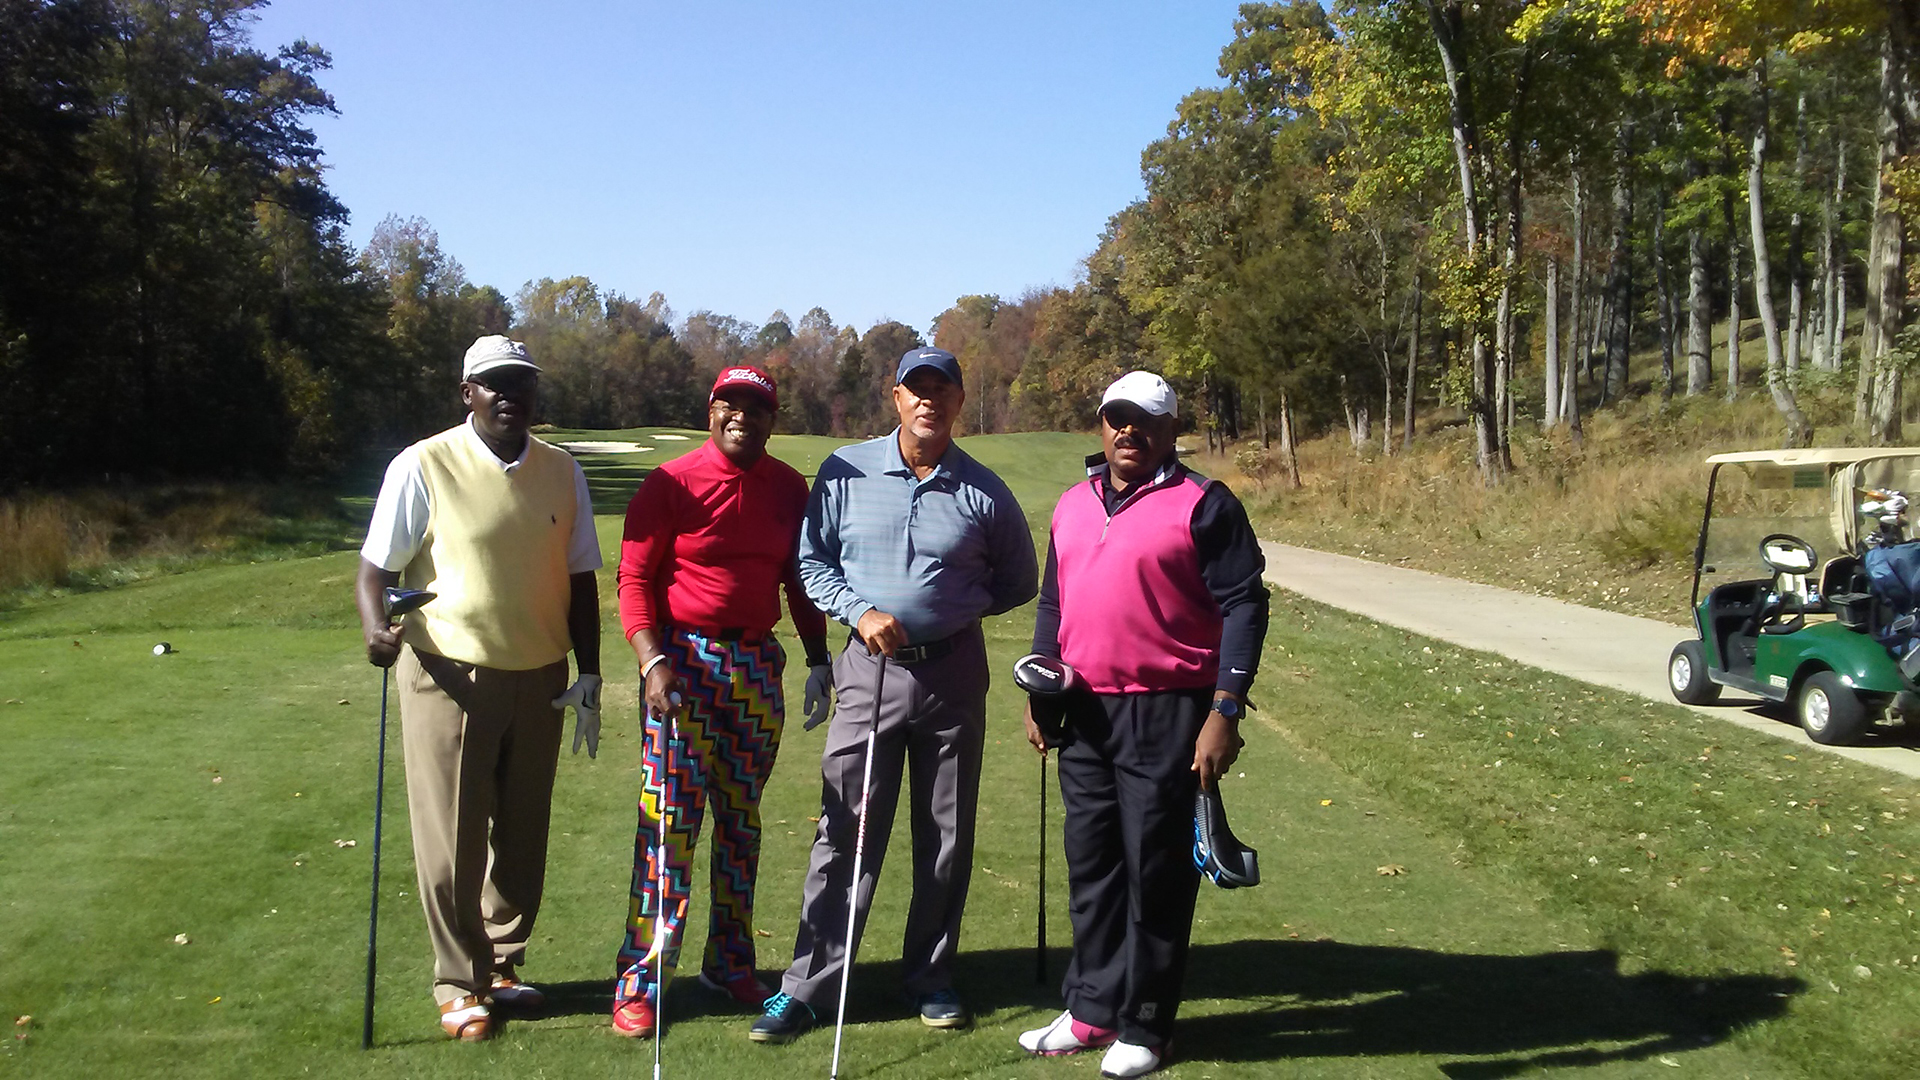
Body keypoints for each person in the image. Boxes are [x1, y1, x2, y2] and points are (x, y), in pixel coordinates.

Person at [749, 346, 1039, 1042]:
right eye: (917, 389)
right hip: (868, 671)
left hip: (953, 674)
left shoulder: (985, 490)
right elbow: (813, 562)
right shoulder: (846, 471)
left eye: (942, 389)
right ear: (896, 397)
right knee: (846, 826)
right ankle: (809, 986)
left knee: (945, 834)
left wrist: (954, 609)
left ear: (959, 401)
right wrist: (859, 610)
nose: (928, 400)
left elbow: (1018, 580)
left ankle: (931, 977)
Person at [1016, 371, 1269, 1079]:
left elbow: (1244, 604)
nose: (1128, 431)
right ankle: (1092, 1009)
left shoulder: (1205, 503)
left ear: (1170, 430)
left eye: (1145, 420)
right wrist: (1040, 687)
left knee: (1155, 870)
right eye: (1116, 418)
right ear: (1101, 425)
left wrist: (1225, 709)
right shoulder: (1073, 503)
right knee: (1092, 865)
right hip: (1084, 710)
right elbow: (1054, 602)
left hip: (1168, 709)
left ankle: (1146, 1025)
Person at [354, 334, 603, 1042]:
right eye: (494, 383)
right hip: (449, 672)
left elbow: (580, 578)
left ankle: (501, 962)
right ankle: (459, 982)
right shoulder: (423, 463)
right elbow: (375, 572)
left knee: (523, 835)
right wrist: (374, 629)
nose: (509, 395)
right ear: (468, 393)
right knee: (453, 837)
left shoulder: (562, 470)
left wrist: (590, 671)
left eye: (520, 382)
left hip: (541, 673)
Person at [610, 365, 832, 1037]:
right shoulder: (670, 482)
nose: (742, 417)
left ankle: (729, 961)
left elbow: (798, 580)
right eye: (730, 405)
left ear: (771, 419)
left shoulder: (788, 487)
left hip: (755, 666)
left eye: (755, 408)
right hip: (682, 665)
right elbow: (633, 578)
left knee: (742, 824)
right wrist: (651, 660)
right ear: (710, 411)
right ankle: (642, 978)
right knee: (670, 824)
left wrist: (819, 658)